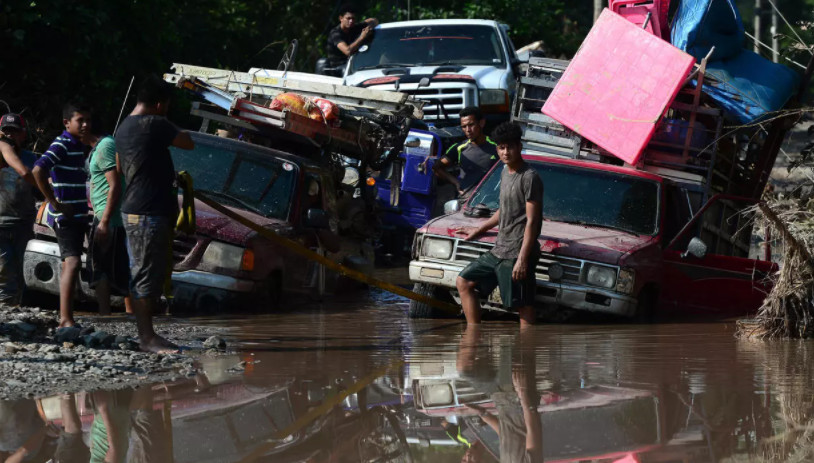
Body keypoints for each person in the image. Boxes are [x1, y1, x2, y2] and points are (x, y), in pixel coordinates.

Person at [116, 75, 194, 353]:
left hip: (135, 209)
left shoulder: (124, 126)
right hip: (148, 211)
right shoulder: (155, 123)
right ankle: (147, 338)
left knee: (144, 272)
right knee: (147, 274)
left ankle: (147, 335)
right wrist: (166, 121)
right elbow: (187, 142)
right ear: (160, 104)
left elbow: (118, 164)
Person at [456, 122, 543, 326]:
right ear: (497, 149)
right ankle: (473, 337)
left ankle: (526, 354)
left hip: (518, 251)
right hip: (499, 249)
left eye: (510, 147)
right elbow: (505, 210)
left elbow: (532, 221)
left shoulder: (530, 177)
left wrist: (522, 259)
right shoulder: (505, 172)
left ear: (519, 147)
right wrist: (479, 228)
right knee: (464, 281)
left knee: (522, 305)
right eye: (501, 147)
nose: (506, 152)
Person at [32, 103, 92, 328]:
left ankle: (66, 316)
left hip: (77, 215)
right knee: (74, 262)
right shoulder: (63, 143)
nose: (85, 124)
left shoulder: (77, 145)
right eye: (80, 120)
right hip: (65, 216)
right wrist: (53, 201)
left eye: (88, 120)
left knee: (70, 263)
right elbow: (39, 169)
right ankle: (66, 318)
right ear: (67, 123)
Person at [85, 126, 132, 316]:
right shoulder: (99, 147)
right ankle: (131, 316)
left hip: (108, 217)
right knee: (120, 267)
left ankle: (104, 315)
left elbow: (115, 185)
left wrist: (103, 222)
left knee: (100, 267)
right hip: (109, 216)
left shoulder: (105, 146)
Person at [0, 114, 37, 305]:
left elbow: (41, 186)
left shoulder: (31, 159)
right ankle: (6, 314)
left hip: (24, 223)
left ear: (23, 134)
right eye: (6, 131)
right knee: (4, 274)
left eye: (14, 131)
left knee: (24, 272)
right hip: (1, 224)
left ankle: (17, 312)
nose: (10, 135)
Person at [433, 107, 498, 198]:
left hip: (490, 201)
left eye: (471, 125)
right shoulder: (459, 148)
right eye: (464, 126)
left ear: (481, 123)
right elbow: (437, 167)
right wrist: (455, 182)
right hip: (465, 201)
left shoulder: (497, 147)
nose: (468, 130)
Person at [326, 4, 378, 68]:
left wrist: (368, 28)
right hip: (339, 68)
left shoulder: (355, 27)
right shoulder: (335, 33)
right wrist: (362, 37)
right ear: (341, 18)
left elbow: (374, 21)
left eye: (353, 18)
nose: (351, 21)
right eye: (348, 18)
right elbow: (347, 51)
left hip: (355, 64)